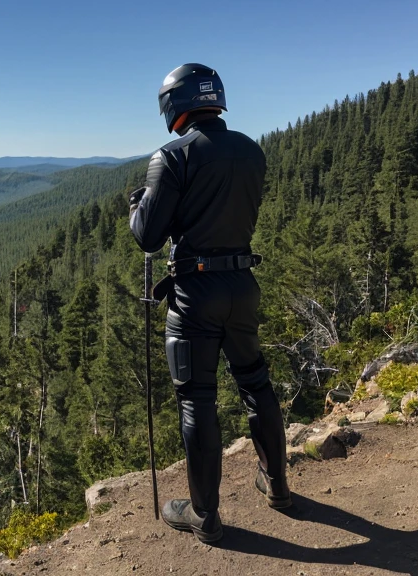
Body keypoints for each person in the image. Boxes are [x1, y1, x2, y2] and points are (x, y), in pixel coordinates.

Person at [128, 63, 291, 545]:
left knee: (197, 401)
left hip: (195, 293)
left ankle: (204, 514)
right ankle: (277, 486)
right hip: (242, 283)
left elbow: (148, 238)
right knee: (255, 382)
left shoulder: (170, 156)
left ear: (173, 106)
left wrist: (138, 206)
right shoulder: (251, 150)